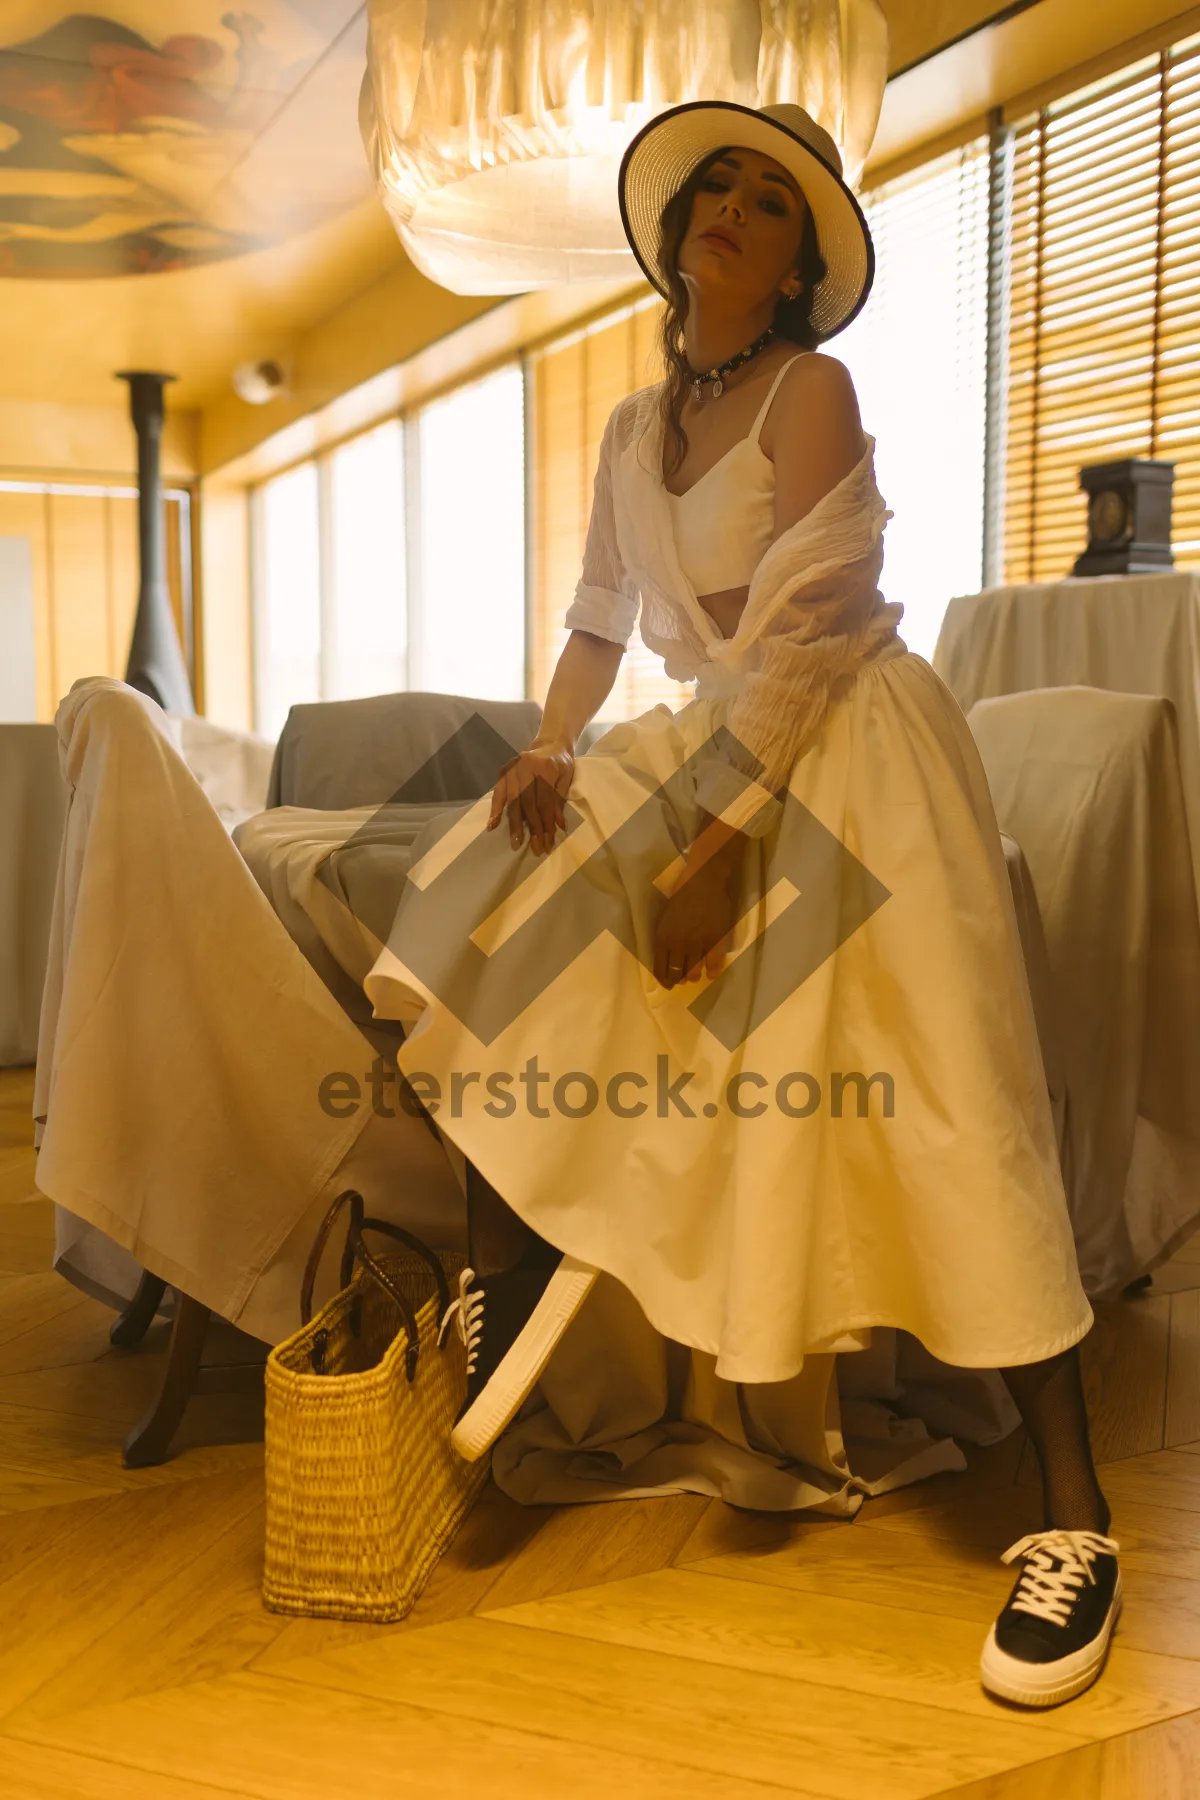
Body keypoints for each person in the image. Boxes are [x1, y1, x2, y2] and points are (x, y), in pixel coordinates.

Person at [364, 100, 1120, 1709]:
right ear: (674, 233)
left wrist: (713, 845)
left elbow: (808, 627)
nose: (729, 210)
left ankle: (1078, 1521)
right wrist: (555, 750)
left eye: (769, 204)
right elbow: (596, 615)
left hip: (847, 746)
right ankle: (500, 1324)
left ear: (795, 272)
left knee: (947, 1111)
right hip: (705, 741)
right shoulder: (636, 428)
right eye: (714, 186)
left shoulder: (812, 387)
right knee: (489, 956)